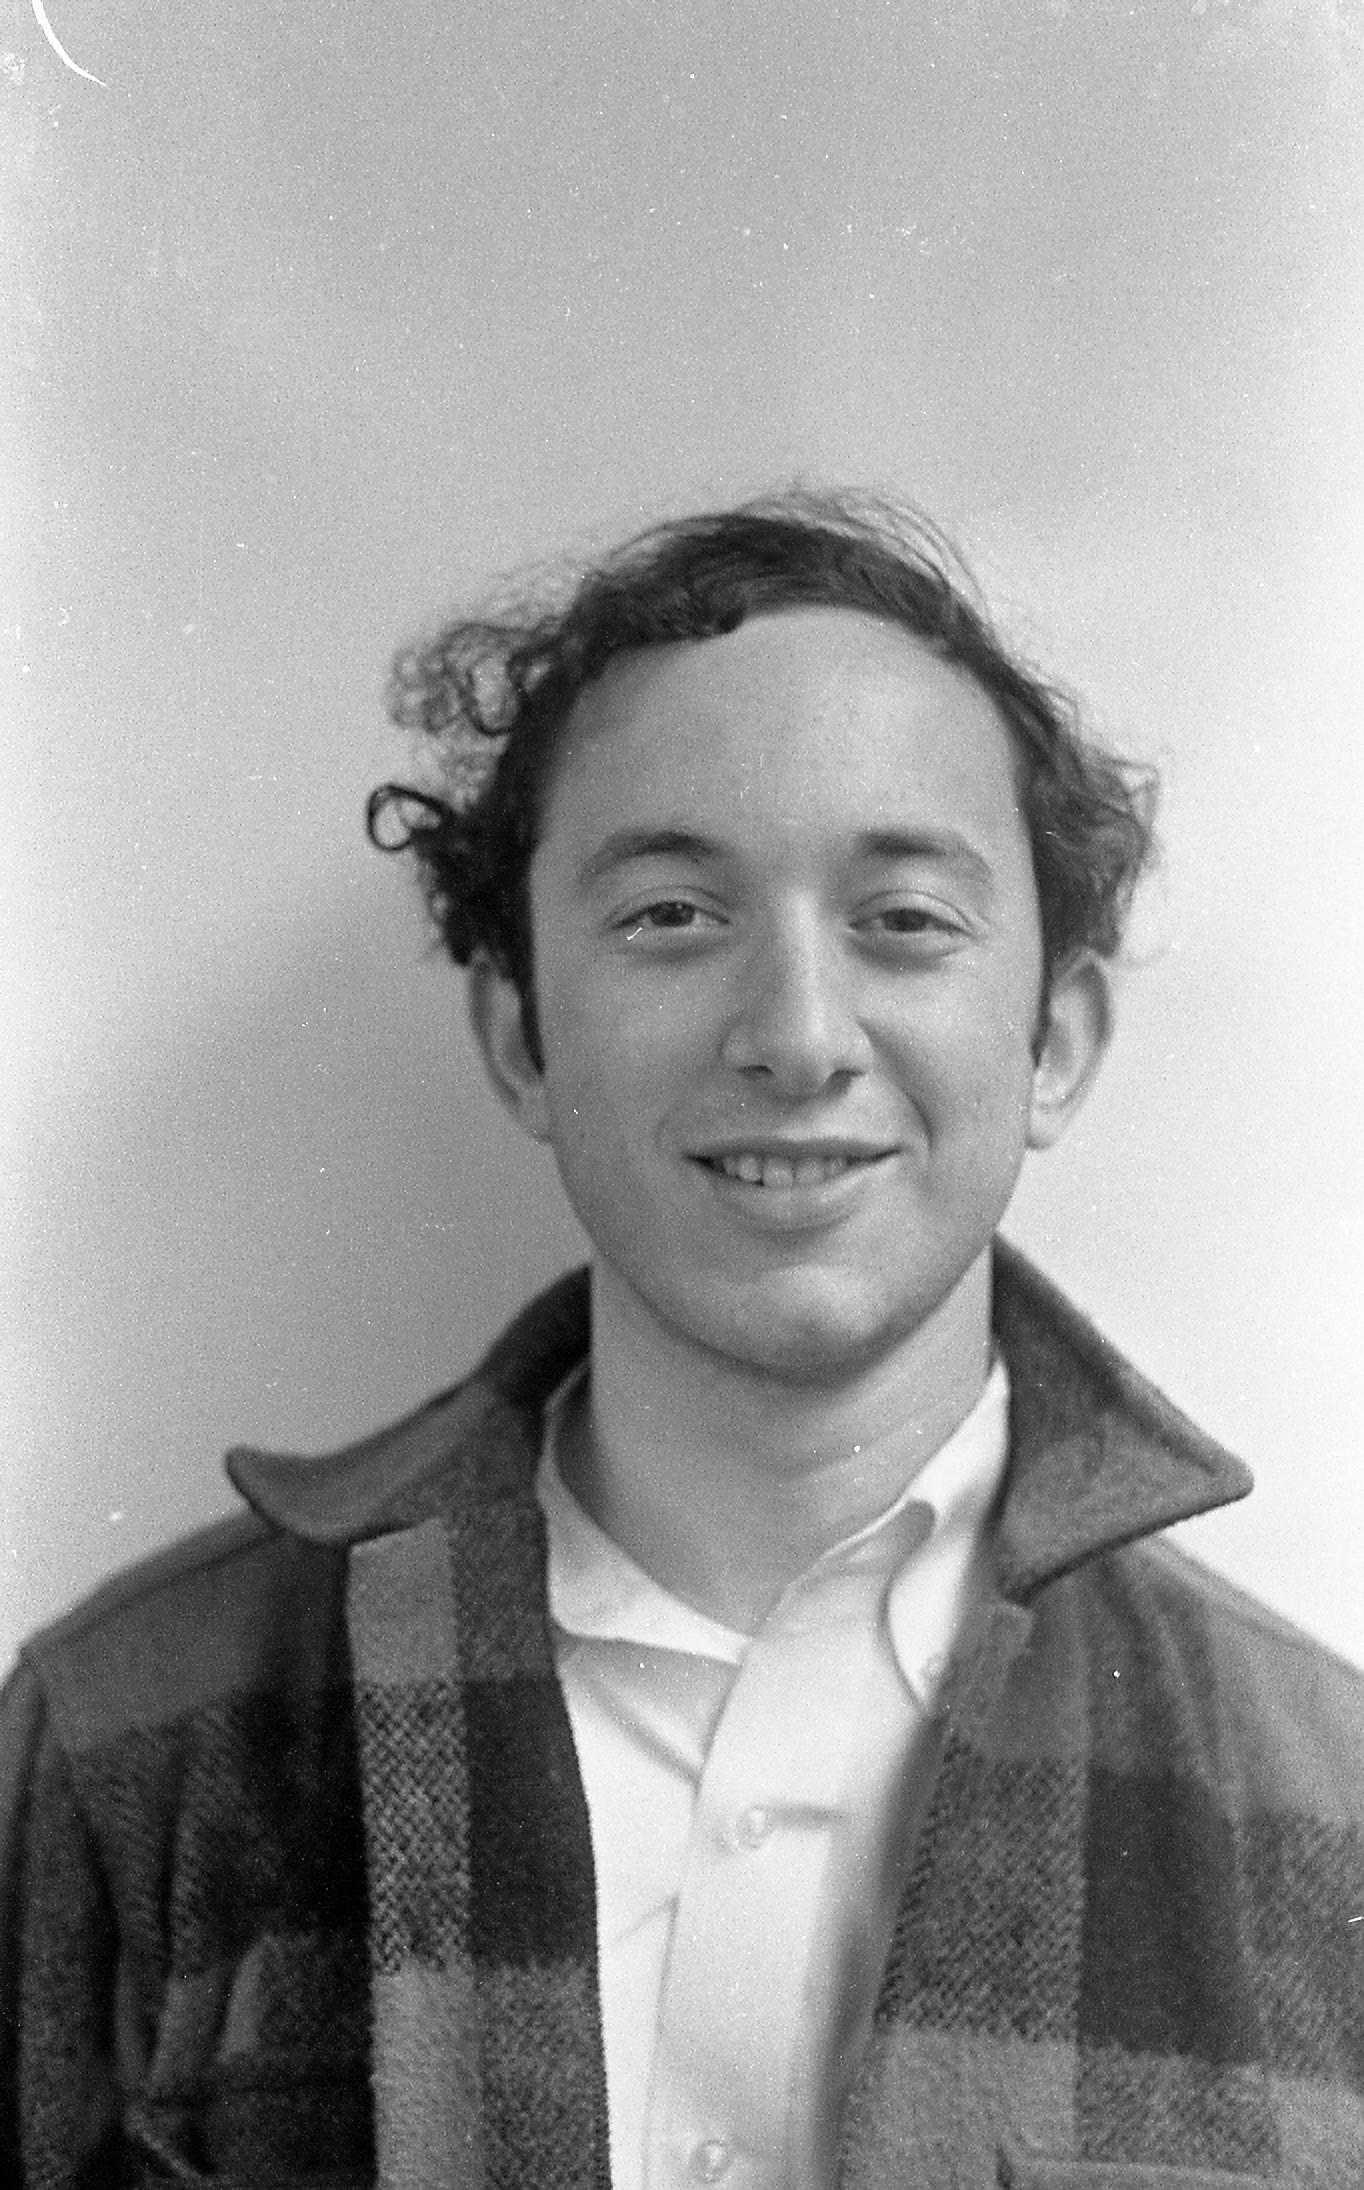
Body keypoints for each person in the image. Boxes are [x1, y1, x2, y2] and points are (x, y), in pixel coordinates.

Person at [2, 489, 1362, 2190]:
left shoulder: (1332, 1811)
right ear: (523, 1037)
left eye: (904, 918)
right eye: (671, 915)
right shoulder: (129, 1745)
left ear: (1057, 1042)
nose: (797, 1035)